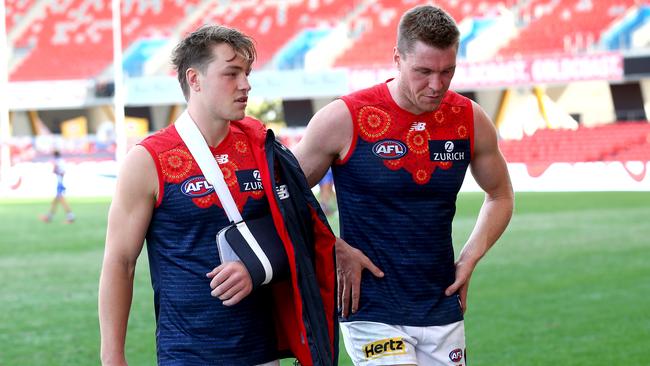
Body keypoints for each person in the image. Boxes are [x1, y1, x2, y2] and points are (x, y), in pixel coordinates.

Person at [98, 25, 337, 366]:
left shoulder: (262, 146)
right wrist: (112, 357)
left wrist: (258, 266)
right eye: (231, 73)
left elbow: (295, 231)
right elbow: (120, 262)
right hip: (187, 353)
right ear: (194, 79)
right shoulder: (148, 160)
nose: (246, 84)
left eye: (247, 73)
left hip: (262, 350)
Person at [294, 5, 514, 365]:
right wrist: (332, 245)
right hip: (370, 306)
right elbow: (283, 196)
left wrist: (471, 256)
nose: (436, 84)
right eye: (423, 71)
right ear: (397, 58)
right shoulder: (345, 117)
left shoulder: (470, 119)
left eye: (448, 71)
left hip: (441, 302)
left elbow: (500, 194)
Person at [40, 150, 75, 223]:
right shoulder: (62, 161)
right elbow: (63, 171)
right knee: (55, 201)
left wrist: (55, 171)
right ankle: (49, 217)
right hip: (61, 182)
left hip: (60, 183)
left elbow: (55, 170)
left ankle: (70, 217)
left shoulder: (57, 161)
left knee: (62, 201)